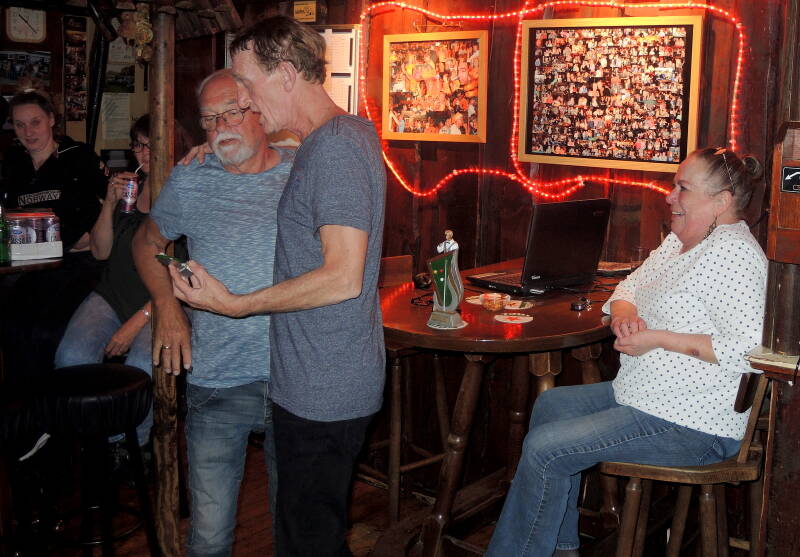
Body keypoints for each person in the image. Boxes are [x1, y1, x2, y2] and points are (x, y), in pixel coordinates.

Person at [169, 16, 386, 557]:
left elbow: (342, 276)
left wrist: (236, 305)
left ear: (286, 73)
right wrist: (211, 152)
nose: (243, 99)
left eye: (248, 84)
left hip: (322, 391)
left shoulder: (334, 149)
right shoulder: (331, 140)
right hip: (317, 384)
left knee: (306, 544)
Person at [486, 147, 768, 557]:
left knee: (546, 449)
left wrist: (656, 338)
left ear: (721, 201)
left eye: (683, 188)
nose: (670, 196)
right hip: (648, 398)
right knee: (551, 405)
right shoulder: (681, 242)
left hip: (695, 425)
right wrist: (624, 316)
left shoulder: (734, 255)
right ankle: (561, 547)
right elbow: (628, 287)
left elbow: (748, 350)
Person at [132, 69, 293, 556]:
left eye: (232, 113)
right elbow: (147, 242)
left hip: (296, 378)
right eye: (209, 119)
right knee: (208, 536)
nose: (221, 127)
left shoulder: (301, 170)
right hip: (219, 378)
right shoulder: (191, 178)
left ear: (260, 111)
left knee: (295, 530)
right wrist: (166, 305)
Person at [54, 114, 154, 446]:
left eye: (152, 145)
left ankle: (133, 447)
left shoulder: (180, 193)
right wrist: (109, 203)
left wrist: (136, 323)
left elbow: (182, 274)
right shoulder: (131, 189)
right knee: (70, 357)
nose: (144, 154)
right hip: (112, 294)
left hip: (157, 303)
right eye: (138, 145)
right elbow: (100, 252)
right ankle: (87, 440)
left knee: (141, 366)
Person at [1, 90, 105, 252]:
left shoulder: (79, 156)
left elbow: (112, 199)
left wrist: (93, 235)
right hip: (27, 257)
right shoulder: (12, 162)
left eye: (35, 122)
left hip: (79, 259)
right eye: (20, 125)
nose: (28, 132)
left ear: (51, 119)